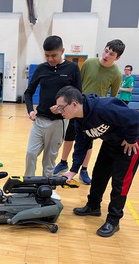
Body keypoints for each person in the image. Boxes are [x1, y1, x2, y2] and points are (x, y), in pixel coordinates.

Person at [55, 85, 139, 237]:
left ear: (74, 104)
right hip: (111, 143)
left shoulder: (103, 108)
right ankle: (93, 206)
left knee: (120, 182)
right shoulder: (79, 120)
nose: (60, 111)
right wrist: (73, 170)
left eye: (61, 108)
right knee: (99, 173)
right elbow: (81, 145)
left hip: (130, 145)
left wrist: (131, 138)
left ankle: (113, 220)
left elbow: (135, 118)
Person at [54, 39, 125, 185]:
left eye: (111, 54)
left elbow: (112, 97)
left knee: (88, 142)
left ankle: (84, 169)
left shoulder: (117, 74)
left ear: (117, 58)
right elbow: (78, 84)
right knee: (69, 137)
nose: (106, 55)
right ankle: (63, 162)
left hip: (95, 112)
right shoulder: (89, 63)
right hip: (77, 107)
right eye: (106, 51)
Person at [24, 35, 82, 200]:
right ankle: (28, 186)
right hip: (40, 120)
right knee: (31, 153)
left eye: (54, 56)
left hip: (59, 122)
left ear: (62, 51)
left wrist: (62, 108)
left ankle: (46, 188)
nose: (50, 59)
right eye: (47, 55)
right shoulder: (41, 69)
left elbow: (78, 96)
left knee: (50, 159)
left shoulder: (72, 69)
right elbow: (28, 92)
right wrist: (30, 110)